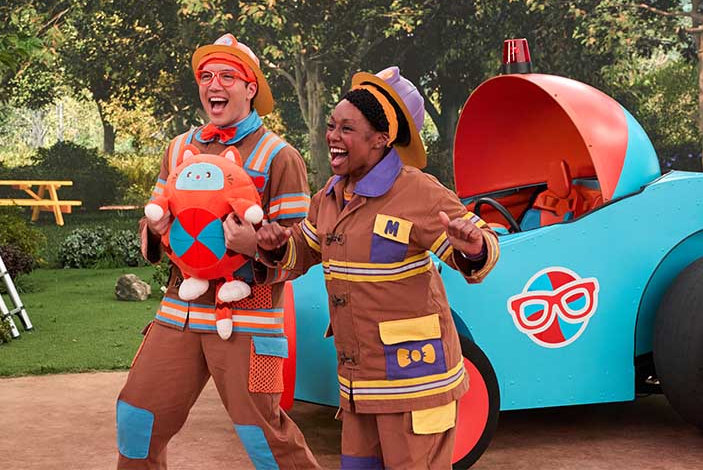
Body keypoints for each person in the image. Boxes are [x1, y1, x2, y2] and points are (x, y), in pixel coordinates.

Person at [256, 67, 500, 470]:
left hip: (415, 386)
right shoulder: (329, 197)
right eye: (331, 126)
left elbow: (481, 244)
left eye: (347, 129)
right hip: (360, 388)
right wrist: (277, 245)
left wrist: (473, 247)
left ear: (381, 139)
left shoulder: (418, 191)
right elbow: (304, 249)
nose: (333, 136)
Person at [116, 33, 322, 469]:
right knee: (136, 420)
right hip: (180, 311)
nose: (215, 85)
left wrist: (257, 246)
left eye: (228, 76)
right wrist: (156, 230)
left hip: (250, 320)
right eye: (206, 76)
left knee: (264, 438)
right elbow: (155, 223)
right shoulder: (177, 149)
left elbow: (304, 249)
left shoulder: (280, 156)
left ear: (250, 88)